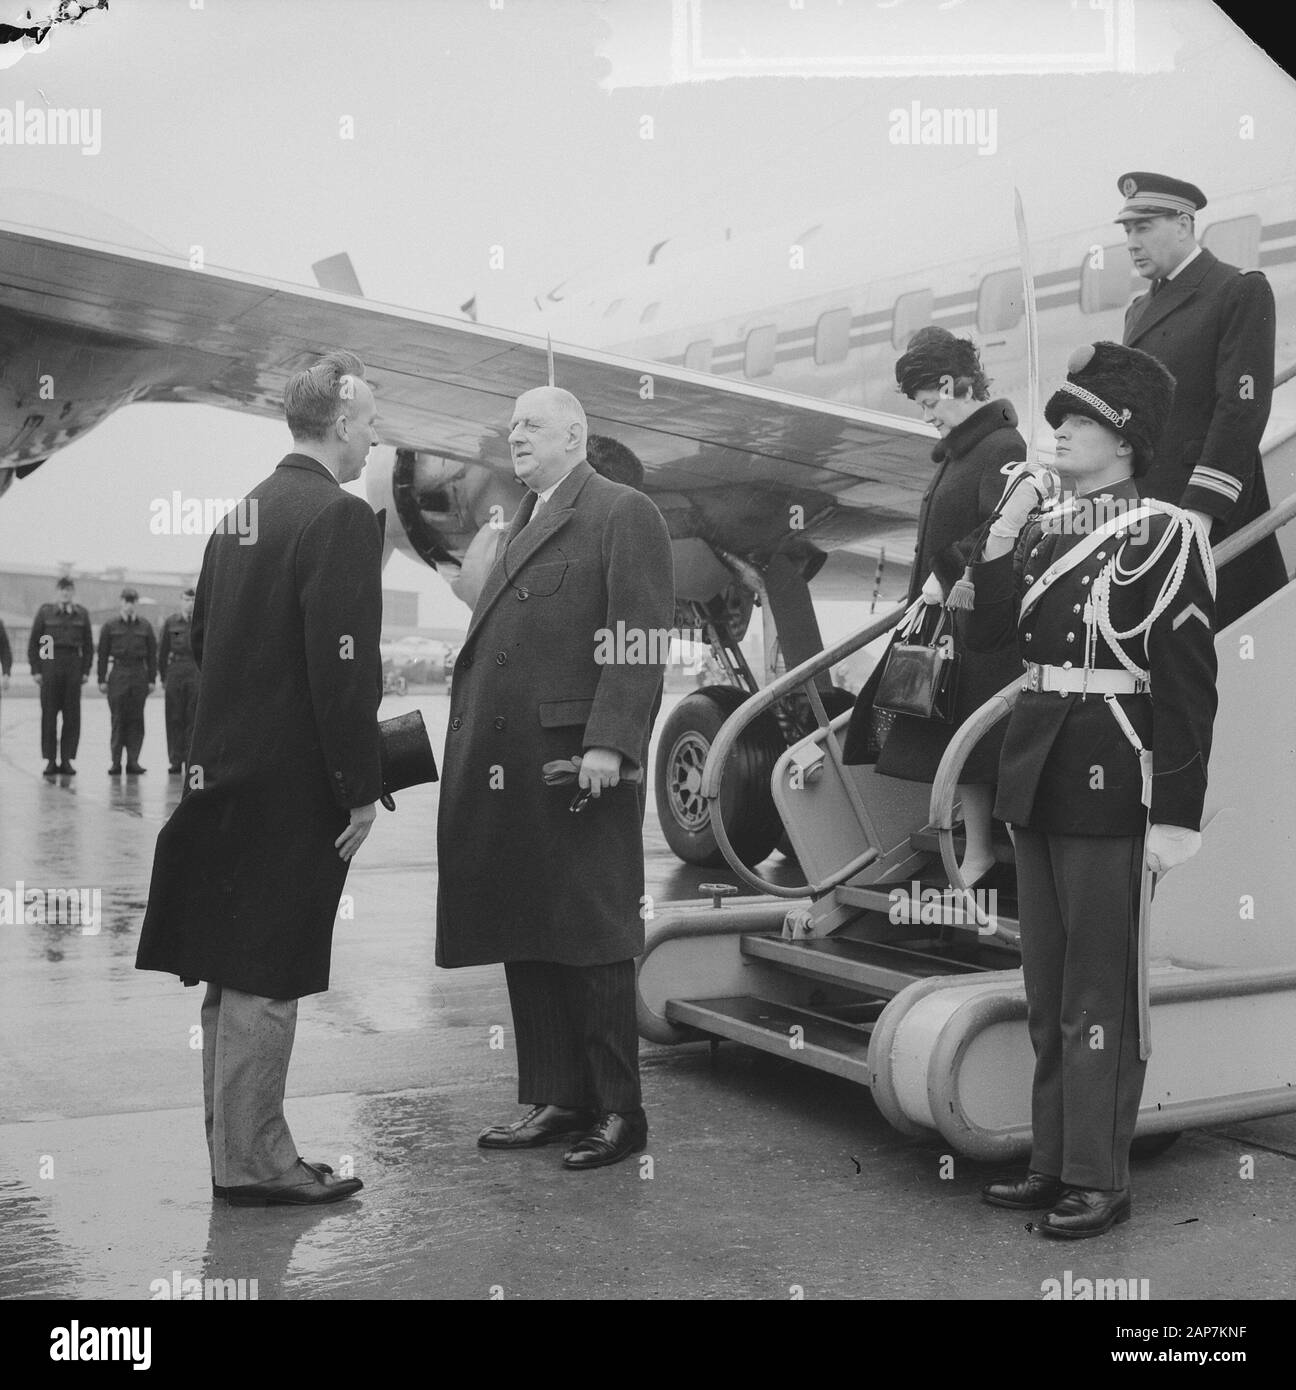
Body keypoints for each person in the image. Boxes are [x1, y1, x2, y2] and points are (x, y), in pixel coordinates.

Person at [965, 342, 1217, 1238]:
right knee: (1045, 986)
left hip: (1111, 776)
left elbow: (1188, 692)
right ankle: (1050, 1159)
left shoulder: (1166, 536)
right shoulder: (1040, 526)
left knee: (1096, 998)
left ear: (1124, 441)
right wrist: (1004, 529)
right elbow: (988, 634)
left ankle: (1098, 1177)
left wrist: (1175, 820)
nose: (1058, 435)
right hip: (1038, 766)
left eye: (1077, 423)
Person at [136, 349, 383, 1207]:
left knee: (231, 973)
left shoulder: (240, 513)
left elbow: (203, 644)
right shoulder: (340, 518)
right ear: (343, 423)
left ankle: (235, 1153)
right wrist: (359, 784)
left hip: (227, 778)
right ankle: (259, 1163)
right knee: (270, 976)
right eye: (371, 423)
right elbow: (343, 670)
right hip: (292, 793)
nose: (374, 440)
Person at [436, 386, 674, 1170]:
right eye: (510, 426)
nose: (516, 437)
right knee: (529, 931)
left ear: (577, 431)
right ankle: (556, 1097)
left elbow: (638, 636)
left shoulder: (620, 511)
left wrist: (611, 742)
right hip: (512, 769)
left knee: (592, 934)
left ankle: (617, 1109)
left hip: (577, 762)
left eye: (532, 425)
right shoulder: (525, 519)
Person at [842, 327, 1025, 884]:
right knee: (960, 739)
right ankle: (979, 852)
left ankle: (1010, 853)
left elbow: (1001, 528)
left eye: (927, 403)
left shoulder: (1001, 446)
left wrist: (944, 577)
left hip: (979, 616)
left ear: (949, 384)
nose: (927, 416)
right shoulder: (962, 449)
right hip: (948, 617)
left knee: (987, 742)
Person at [1116, 170, 1286, 627]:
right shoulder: (1137, 310)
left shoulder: (1237, 289)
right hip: (1151, 516)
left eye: (1144, 227)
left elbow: (1242, 406)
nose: (1132, 242)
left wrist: (1201, 512)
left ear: (1184, 224)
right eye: (1128, 230)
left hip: (1208, 516)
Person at [27, 576, 93, 776]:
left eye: (69, 589)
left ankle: (66, 760)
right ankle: (50, 760)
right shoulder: (46, 612)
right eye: (62, 589)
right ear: (57, 591)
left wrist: (85, 671)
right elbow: (35, 643)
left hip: (73, 667)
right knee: (49, 716)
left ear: (73, 592)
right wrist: (37, 670)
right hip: (51, 666)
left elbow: (88, 646)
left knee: (71, 717)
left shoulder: (81, 614)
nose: (65, 593)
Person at [97, 587, 157, 775]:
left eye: (132, 601)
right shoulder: (110, 626)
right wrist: (101, 679)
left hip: (139, 674)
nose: (129, 605)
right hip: (118, 674)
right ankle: (115, 762)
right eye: (126, 601)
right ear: (121, 602)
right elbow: (103, 654)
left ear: (136, 603)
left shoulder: (145, 626)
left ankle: (133, 761)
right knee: (118, 719)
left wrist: (151, 679)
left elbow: (152, 655)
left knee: (136, 720)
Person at [158, 587, 200, 774]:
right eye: (186, 600)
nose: (189, 604)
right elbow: (162, 652)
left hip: (195, 671)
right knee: (174, 716)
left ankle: (191, 760)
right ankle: (175, 760)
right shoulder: (170, 623)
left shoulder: (201, 623)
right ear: (180, 601)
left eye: (192, 600)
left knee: (193, 718)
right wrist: (163, 677)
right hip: (175, 671)